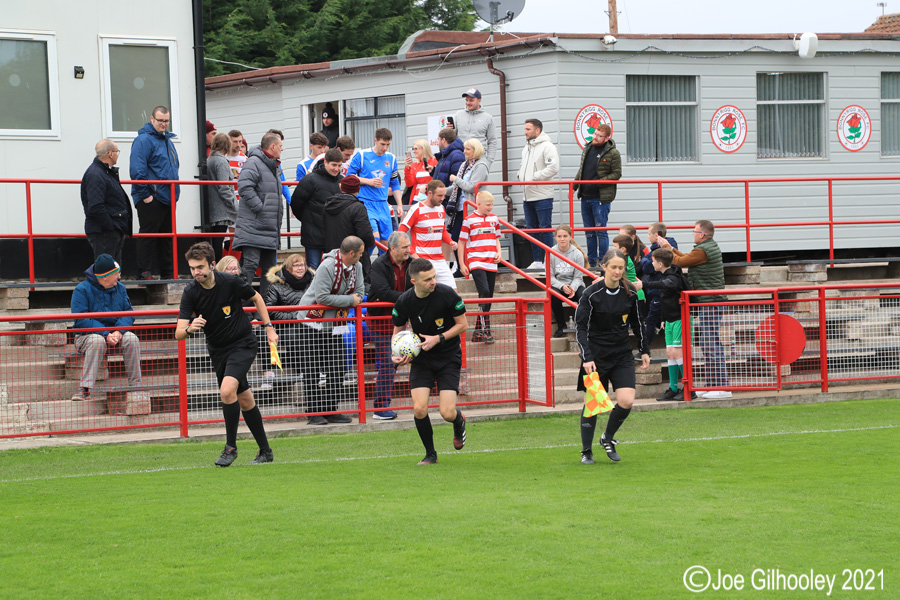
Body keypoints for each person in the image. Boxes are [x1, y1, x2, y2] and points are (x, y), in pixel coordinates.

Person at [176, 242, 278, 466]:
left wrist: (269, 327)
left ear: (212, 265)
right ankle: (266, 452)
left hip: (243, 343)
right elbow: (178, 333)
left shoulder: (230, 281)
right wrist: (190, 328)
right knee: (244, 398)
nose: (196, 272)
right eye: (192, 268)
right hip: (218, 350)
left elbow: (257, 298)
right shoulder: (190, 291)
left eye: (200, 267)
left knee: (226, 391)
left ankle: (230, 448)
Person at [575, 249, 650, 465]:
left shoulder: (631, 294)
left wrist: (645, 350)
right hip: (595, 357)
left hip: (621, 354)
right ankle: (586, 451)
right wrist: (587, 357)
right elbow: (581, 328)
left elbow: (638, 324)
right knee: (593, 403)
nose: (618, 271)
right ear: (604, 267)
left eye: (621, 268)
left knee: (626, 400)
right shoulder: (591, 294)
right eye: (614, 267)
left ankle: (607, 437)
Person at [391, 258, 468, 465]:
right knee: (419, 408)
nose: (433, 282)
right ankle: (430, 454)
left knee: (446, 412)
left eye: (434, 277)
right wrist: (396, 353)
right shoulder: (404, 301)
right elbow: (397, 334)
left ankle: (458, 419)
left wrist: (438, 338)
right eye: (427, 279)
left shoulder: (447, 294)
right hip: (422, 359)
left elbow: (463, 325)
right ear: (414, 281)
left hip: (448, 357)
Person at [656, 220, 730, 399]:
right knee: (707, 343)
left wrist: (667, 247)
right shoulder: (703, 249)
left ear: (702, 235)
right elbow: (685, 258)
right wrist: (671, 250)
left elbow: (680, 262)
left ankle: (722, 387)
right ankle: (712, 385)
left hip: (710, 302)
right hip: (707, 302)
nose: (693, 234)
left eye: (695, 231)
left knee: (711, 343)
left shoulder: (703, 250)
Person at [295, 236, 365, 425]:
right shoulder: (327, 266)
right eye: (360, 253)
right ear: (351, 253)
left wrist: (351, 299)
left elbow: (361, 291)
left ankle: (330, 409)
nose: (362, 256)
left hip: (335, 324)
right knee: (312, 369)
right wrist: (350, 300)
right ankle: (314, 412)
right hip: (311, 323)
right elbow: (323, 297)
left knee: (338, 367)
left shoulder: (357, 267)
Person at [70, 254, 142, 401]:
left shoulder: (120, 288)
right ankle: (84, 389)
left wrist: (118, 331)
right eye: (116, 274)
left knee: (132, 338)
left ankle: (136, 387)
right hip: (87, 336)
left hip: (114, 334)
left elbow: (129, 312)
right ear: (105, 277)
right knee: (97, 340)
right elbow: (81, 319)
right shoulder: (81, 290)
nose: (119, 277)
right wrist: (106, 333)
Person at [129, 105, 180, 281]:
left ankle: (168, 273)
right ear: (152, 120)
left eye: (166, 121)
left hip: (168, 197)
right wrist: (146, 196)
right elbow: (137, 170)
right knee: (149, 235)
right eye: (160, 121)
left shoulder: (167, 141)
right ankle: (144, 273)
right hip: (152, 197)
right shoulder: (143, 140)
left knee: (167, 238)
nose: (163, 124)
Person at [367, 231, 413, 420]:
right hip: (380, 322)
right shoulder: (379, 265)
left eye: (409, 246)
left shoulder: (412, 263)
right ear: (392, 249)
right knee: (388, 361)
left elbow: (417, 284)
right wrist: (408, 299)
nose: (408, 251)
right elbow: (383, 292)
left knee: (395, 362)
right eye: (405, 247)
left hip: (402, 320)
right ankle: (380, 407)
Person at [233, 132, 285, 297]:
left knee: (270, 271)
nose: (282, 149)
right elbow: (244, 186)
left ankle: (266, 311)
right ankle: (242, 309)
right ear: (272, 147)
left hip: (268, 227)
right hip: (254, 227)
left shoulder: (273, 165)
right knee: (250, 267)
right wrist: (260, 208)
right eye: (281, 146)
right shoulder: (254, 163)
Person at [641, 248, 692, 402]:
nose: (652, 263)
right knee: (670, 353)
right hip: (669, 320)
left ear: (660, 263)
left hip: (679, 319)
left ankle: (689, 388)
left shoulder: (674, 276)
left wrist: (644, 284)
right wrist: (663, 318)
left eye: (654, 261)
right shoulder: (665, 275)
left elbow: (667, 285)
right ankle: (673, 388)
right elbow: (665, 298)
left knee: (678, 353)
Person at [345, 128, 403, 249]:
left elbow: (395, 183)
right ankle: (366, 266)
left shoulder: (391, 158)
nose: (385, 148)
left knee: (387, 243)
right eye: (382, 144)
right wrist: (368, 181)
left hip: (383, 204)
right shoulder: (362, 155)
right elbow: (348, 177)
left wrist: (400, 204)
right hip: (366, 202)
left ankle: (381, 268)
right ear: (375, 140)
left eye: (388, 144)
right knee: (373, 238)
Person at [573, 124, 621, 268]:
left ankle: (603, 261)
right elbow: (581, 171)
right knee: (589, 232)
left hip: (600, 198)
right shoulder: (588, 148)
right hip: (585, 196)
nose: (595, 137)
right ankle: (592, 262)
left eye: (599, 136)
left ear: (607, 138)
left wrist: (599, 182)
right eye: (594, 134)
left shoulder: (613, 153)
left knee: (601, 231)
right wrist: (574, 186)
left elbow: (617, 174)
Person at [457, 191, 501, 343]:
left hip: (491, 261)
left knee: (488, 297)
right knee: (484, 291)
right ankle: (486, 330)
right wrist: (462, 264)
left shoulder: (494, 219)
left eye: (492, 205)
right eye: (488, 205)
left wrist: (499, 253)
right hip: (476, 261)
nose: (491, 207)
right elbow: (461, 243)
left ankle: (477, 332)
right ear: (479, 204)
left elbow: (496, 238)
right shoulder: (468, 220)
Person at [516, 118, 560, 270]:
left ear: (537, 130)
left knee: (545, 228)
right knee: (531, 229)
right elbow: (524, 167)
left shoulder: (547, 146)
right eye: (525, 129)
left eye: (528, 129)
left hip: (542, 195)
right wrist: (520, 175)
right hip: (527, 195)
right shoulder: (526, 147)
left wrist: (535, 177)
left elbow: (554, 167)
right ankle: (538, 261)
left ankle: (549, 261)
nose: (525, 132)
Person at [263, 254, 313, 385]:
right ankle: (301, 370)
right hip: (286, 326)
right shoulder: (276, 285)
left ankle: (318, 369)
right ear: (288, 268)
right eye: (296, 265)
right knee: (295, 337)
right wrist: (295, 317)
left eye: (302, 265)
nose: (300, 268)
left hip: (311, 322)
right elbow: (270, 310)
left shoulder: (313, 282)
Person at [81, 139, 132, 265]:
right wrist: (111, 227)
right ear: (110, 153)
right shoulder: (96, 174)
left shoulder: (104, 172)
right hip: (104, 232)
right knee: (106, 272)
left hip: (109, 230)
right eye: (117, 152)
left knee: (112, 271)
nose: (117, 155)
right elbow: (96, 207)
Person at [291, 147, 344, 270]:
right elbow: (296, 204)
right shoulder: (310, 180)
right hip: (312, 235)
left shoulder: (342, 181)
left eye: (340, 165)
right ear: (325, 162)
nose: (337, 169)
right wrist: (307, 220)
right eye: (334, 165)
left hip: (333, 236)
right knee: (313, 270)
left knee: (333, 271)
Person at [399, 180, 458, 289]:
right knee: (430, 294)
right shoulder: (416, 209)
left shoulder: (441, 208)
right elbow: (400, 234)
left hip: (440, 260)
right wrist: (414, 255)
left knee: (453, 293)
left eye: (444, 195)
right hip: (423, 260)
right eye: (439, 195)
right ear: (429, 193)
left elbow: (442, 230)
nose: (442, 198)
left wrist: (450, 242)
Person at [322, 174, 376, 284]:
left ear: (341, 187)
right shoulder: (358, 207)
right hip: (354, 258)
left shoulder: (328, 206)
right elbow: (366, 235)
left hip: (332, 255)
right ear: (358, 189)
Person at [640, 222, 679, 350]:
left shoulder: (663, 249)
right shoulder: (657, 248)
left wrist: (650, 256)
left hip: (659, 291)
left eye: (649, 234)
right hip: (659, 290)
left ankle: (644, 349)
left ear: (656, 235)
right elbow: (645, 263)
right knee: (659, 318)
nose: (648, 237)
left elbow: (646, 266)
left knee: (651, 320)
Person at [446, 138, 490, 244]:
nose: (464, 151)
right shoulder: (464, 165)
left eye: (468, 149)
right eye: (464, 148)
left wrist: (456, 179)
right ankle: (462, 261)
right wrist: (441, 191)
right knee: (456, 239)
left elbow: (471, 187)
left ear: (476, 150)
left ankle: (466, 261)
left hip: (472, 208)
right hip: (460, 208)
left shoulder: (481, 165)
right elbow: (455, 188)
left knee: (467, 240)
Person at [549, 225, 587, 338]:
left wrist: (572, 288)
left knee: (584, 296)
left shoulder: (577, 254)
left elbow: (579, 277)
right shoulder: (551, 253)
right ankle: (561, 326)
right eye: (559, 236)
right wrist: (561, 286)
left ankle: (582, 326)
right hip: (558, 283)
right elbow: (549, 277)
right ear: (555, 237)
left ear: (570, 237)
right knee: (554, 296)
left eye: (565, 236)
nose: (562, 239)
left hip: (575, 284)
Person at [612, 234, 647, 355]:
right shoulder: (623, 259)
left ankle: (644, 351)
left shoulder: (624, 260)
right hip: (630, 294)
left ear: (622, 249)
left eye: (614, 246)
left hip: (636, 295)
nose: (612, 248)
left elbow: (619, 276)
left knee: (637, 325)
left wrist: (602, 279)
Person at [206, 133, 238, 263]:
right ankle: (218, 268)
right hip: (221, 210)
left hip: (213, 208)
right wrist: (235, 206)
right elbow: (224, 188)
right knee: (218, 241)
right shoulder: (221, 162)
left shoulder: (210, 159)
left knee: (215, 241)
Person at [453, 88, 499, 167]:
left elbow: (492, 141)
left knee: (476, 180)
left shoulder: (488, 118)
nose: (468, 103)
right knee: (458, 180)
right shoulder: (458, 115)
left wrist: (488, 161)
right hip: (460, 159)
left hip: (479, 160)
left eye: (471, 100)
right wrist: (450, 130)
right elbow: (452, 138)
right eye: (466, 100)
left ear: (479, 101)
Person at [404, 138, 437, 203]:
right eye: (413, 149)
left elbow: (438, 179)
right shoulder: (414, 165)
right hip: (416, 199)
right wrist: (407, 168)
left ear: (423, 148)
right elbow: (409, 184)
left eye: (416, 149)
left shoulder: (435, 162)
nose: (414, 151)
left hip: (431, 199)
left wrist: (427, 187)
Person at [266, 128, 293, 206]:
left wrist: (291, 203)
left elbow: (283, 182)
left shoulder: (276, 162)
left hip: (274, 204)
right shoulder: (257, 160)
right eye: (279, 145)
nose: (281, 149)